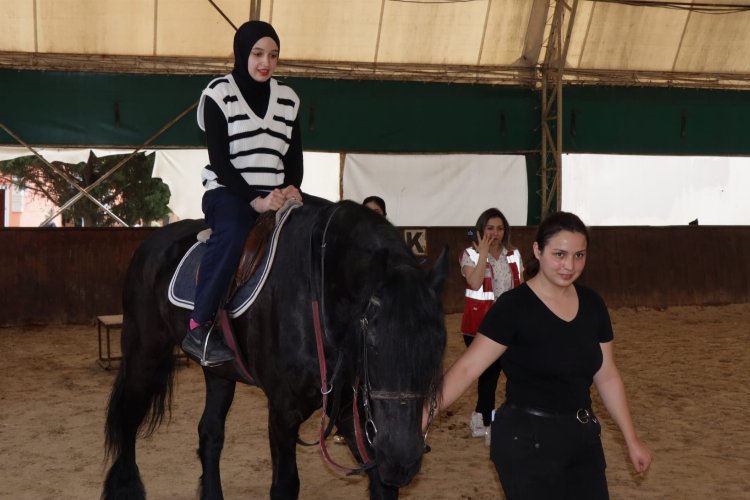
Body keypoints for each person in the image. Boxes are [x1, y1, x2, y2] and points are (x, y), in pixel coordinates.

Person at [426, 211, 652, 499]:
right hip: (525, 442)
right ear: (537, 250)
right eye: (559, 254)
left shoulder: (593, 305)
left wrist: (631, 439)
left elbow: (607, 375)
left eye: (579, 255)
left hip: (582, 439)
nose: (569, 265)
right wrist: (423, 414)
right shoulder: (513, 307)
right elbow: (467, 369)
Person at [182, 20, 304, 365]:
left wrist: (291, 189)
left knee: (319, 225)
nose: (266, 62)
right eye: (258, 54)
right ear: (241, 53)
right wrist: (256, 200)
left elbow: (294, 160)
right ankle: (199, 326)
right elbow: (220, 161)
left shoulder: (289, 100)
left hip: (274, 193)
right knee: (235, 229)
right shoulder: (218, 94)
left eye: (273, 55)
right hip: (229, 191)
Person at [459, 208, 523, 443]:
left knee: (510, 373)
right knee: (489, 375)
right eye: (490, 228)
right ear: (481, 230)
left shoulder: (513, 254)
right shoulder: (470, 255)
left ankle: (482, 416)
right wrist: (483, 253)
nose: (495, 233)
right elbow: (475, 283)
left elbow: (521, 288)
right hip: (479, 326)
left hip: (509, 324)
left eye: (499, 228)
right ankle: (487, 422)